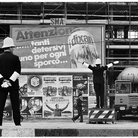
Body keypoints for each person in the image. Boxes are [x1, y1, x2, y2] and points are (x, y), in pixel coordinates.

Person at [0, 37, 21, 126]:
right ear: (11, 48)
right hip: (13, 85)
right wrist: (10, 81)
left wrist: (3, 81)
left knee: (0, 104)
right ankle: (17, 123)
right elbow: (17, 71)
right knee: (15, 105)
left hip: (1, 84)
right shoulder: (15, 58)